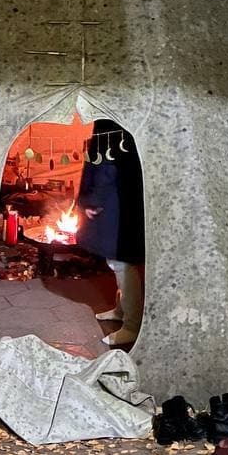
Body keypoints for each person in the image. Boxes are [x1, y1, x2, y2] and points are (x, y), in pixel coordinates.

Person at [75, 118, 145, 348]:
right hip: (112, 196)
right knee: (116, 260)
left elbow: (111, 162)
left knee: (122, 261)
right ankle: (121, 310)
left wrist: (95, 198)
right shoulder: (107, 121)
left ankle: (132, 326)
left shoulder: (114, 121)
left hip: (116, 198)